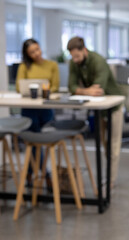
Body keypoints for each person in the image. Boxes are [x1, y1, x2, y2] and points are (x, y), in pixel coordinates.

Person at [67, 36, 123, 187]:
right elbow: (70, 87)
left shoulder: (98, 61)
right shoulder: (74, 62)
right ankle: (106, 177)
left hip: (113, 106)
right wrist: (86, 91)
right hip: (99, 108)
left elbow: (98, 90)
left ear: (84, 50)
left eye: (77, 56)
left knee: (113, 146)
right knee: (104, 145)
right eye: (73, 57)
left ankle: (110, 182)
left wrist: (81, 91)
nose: (76, 60)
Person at [16, 38, 60, 189]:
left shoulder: (52, 65)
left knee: (38, 143)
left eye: (37, 49)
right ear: (27, 54)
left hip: (45, 109)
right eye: (32, 52)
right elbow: (19, 87)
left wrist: (43, 91)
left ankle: (29, 174)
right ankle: (45, 175)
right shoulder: (24, 66)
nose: (36, 53)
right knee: (33, 143)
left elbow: (55, 87)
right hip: (29, 109)